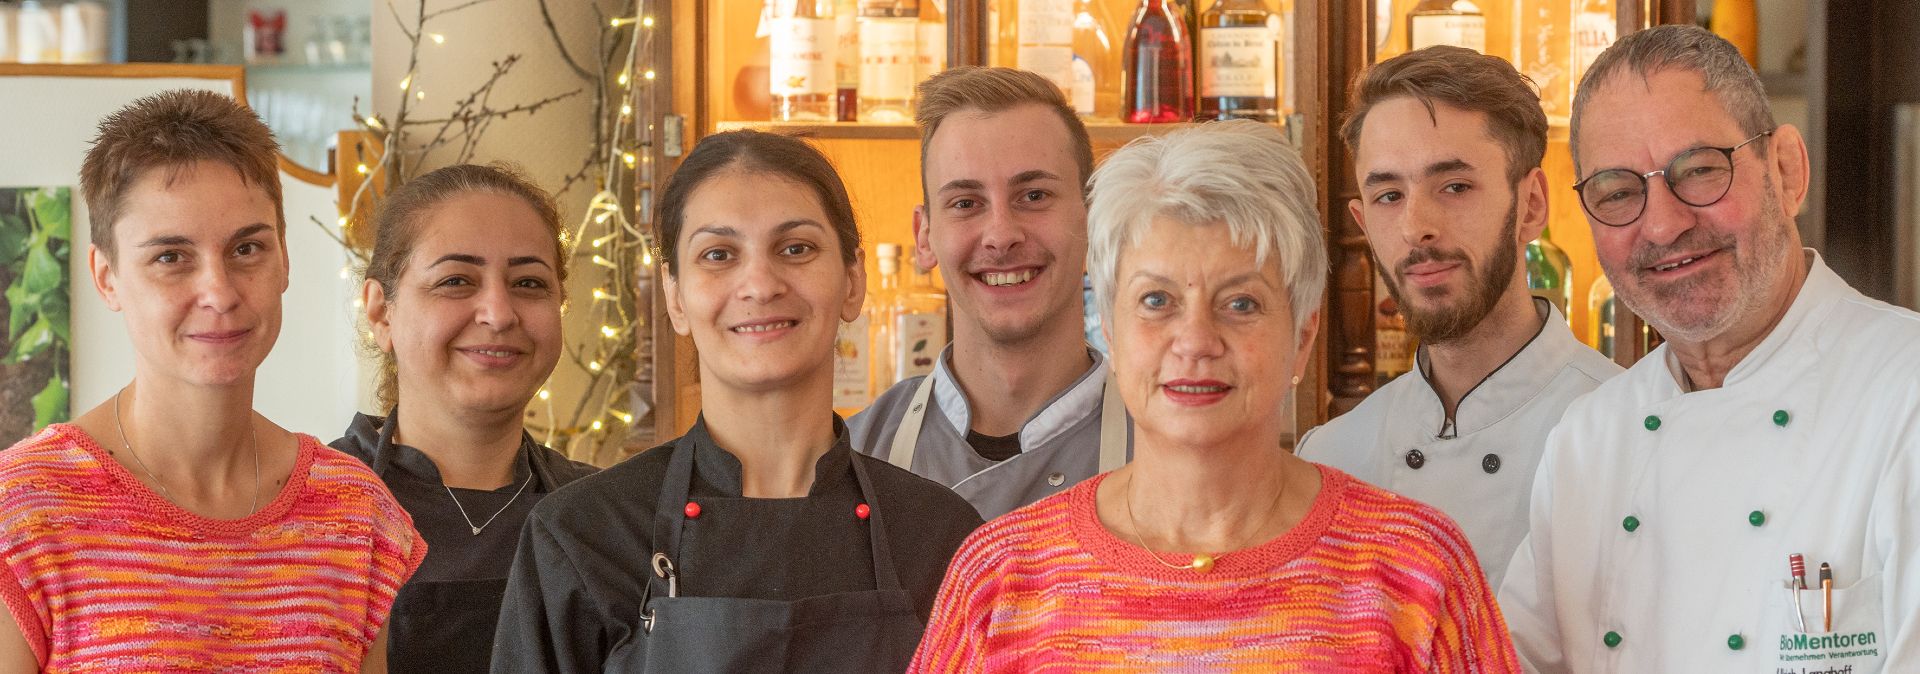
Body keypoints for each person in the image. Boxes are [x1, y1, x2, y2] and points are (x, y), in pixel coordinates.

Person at [911, 120, 1520, 671]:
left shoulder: (1416, 572)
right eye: (1156, 301)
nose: (1196, 341)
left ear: (1302, 337)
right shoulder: (1001, 576)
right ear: (1110, 331)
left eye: (1241, 303)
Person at [1499, 25, 1920, 671]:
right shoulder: (1588, 441)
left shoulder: (1904, 394)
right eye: (1617, 192)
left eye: (1698, 171)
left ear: (1786, 171)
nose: (1663, 224)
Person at [490, 130, 981, 672]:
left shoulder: (943, 535)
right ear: (675, 298)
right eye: (718, 254)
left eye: (796, 248)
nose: (760, 283)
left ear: (852, 280)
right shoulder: (583, 535)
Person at [0, 90, 421, 671]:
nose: (220, 293)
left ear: (285, 261)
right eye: (171, 257)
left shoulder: (356, 515)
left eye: (247, 248)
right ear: (107, 277)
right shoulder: (21, 513)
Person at [1297, 46, 1620, 588]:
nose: (1415, 227)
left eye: (1454, 187)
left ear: (1533, 205)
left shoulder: (1626, 429)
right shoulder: (1330, 457)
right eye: (1388, 195)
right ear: (1362, 221)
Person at [329, 163, 597, 671]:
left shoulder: (602, 517)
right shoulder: (310, 510)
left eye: (529, 283)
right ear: (382, 311)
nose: (498, 313)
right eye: (455, 281)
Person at [848, 67, 1129, 520]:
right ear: (925, 238)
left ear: (1093, 220)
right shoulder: (853, 457)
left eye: (1034, 196)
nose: (1001, 235)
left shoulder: (1165, 449)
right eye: (965, 203)